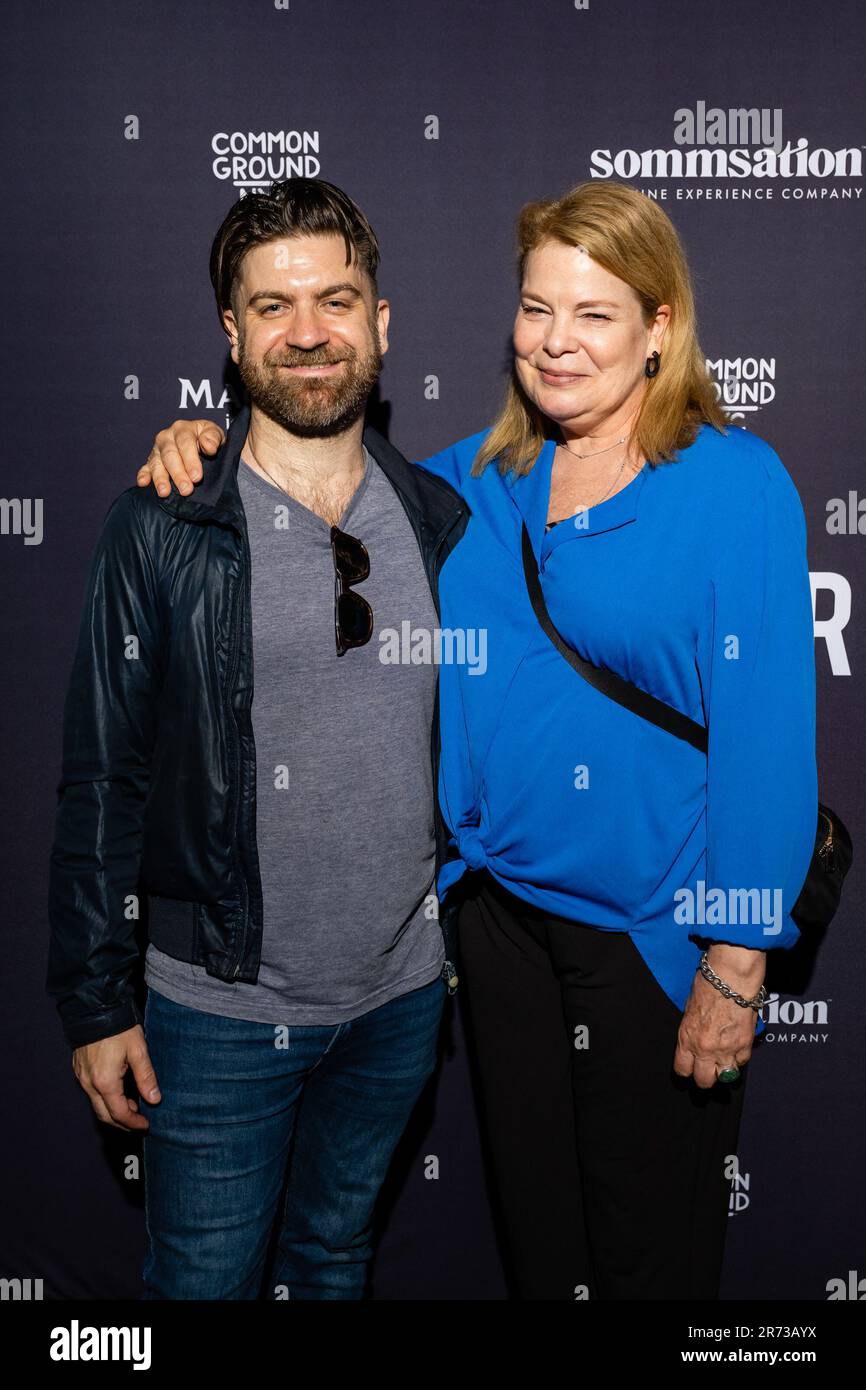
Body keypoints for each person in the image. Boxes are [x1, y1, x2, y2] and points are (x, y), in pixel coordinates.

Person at [137, 179, 818, 1300]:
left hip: (648, 940)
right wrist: (201, 442)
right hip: (497, 931)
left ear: (658, 327)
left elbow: (767, 737)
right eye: (537, 309)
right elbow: (311, 465)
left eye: (594, 314)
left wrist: (735, 966)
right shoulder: (471, 483)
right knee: (543, 1248)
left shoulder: (731, 484)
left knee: (648, 1256)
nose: (556, 343)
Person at [46, 178, 468, 1300]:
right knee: (203, 1283)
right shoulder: (162, 523)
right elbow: (103, 775)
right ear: (230, 336)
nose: (308, 332)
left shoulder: (446, 516)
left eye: (335, 298)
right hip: (218, 1013)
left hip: (399, 1002)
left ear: (381, 321)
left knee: (332, 1262)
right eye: (272, 306)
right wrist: (96, 1003)